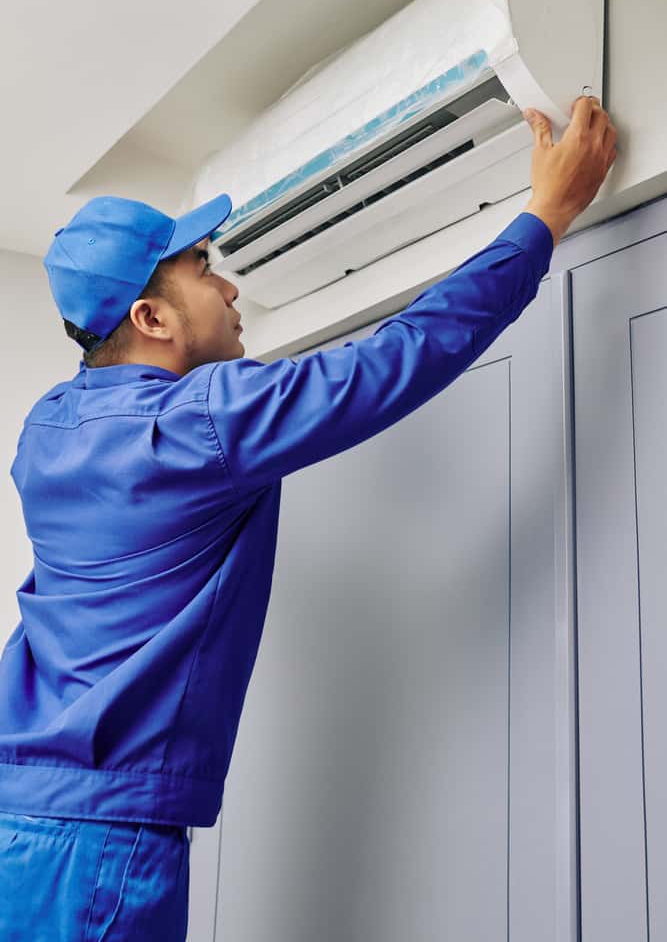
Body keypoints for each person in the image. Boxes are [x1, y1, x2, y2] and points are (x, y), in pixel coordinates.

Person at [0, 95, 616, 940]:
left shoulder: (45, 430)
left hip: (16, 817)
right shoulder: (202, 419)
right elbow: (397, 357)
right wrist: (543, 217)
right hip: (103, 842)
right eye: (204, 268)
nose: (227, 285)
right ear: (152, 318)